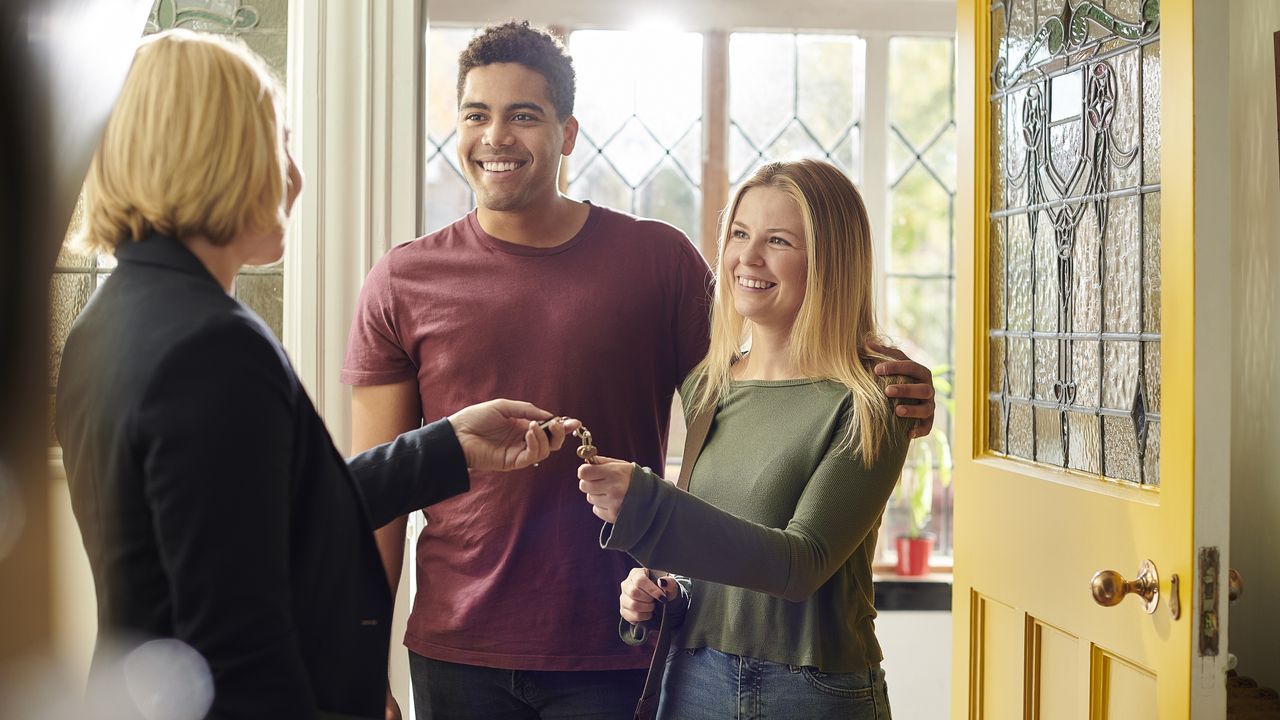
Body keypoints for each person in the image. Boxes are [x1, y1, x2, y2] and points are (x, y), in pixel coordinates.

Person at [343, 21, 936, 720]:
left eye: (523, 115)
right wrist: (355, 664)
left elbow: (767, 368)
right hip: (456, 649)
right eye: (477, 115)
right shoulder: (402, 279)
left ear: (566, 133)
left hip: (619, 647)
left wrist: (879, 371)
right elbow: (375, 492)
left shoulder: (659, 262)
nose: (496, 137)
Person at [55, 30, 575, 719]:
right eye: (280, 142)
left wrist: (444, 447)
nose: (294, 176)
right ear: (217, 154)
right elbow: (239, 645)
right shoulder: (211, 348)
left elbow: (259, 515)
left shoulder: (112, 319)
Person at [579, 159, 910, 719]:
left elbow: (800, 564)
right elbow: (722, 553)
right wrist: (662, 587)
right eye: (739, 234)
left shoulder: (872, 399)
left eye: (777, 240)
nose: (748, 258)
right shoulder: (709, 386)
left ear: (831, 262)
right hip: (693, 677)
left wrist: (647, 505)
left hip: (810, 690)